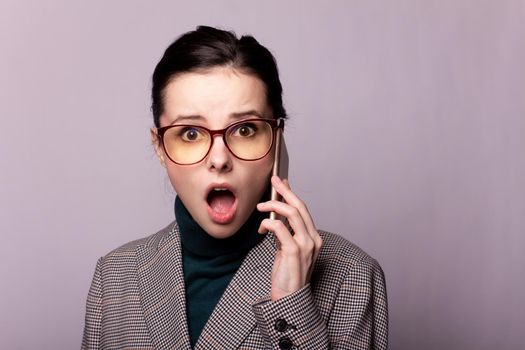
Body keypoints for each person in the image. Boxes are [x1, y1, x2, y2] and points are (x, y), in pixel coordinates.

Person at [81, 26, 388, 350]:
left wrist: (291, 304)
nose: (219, 159)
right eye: (190, 133)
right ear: (159, 147)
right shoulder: (113, 276)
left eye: (245, 129)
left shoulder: (351, 275)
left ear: (277, 139)